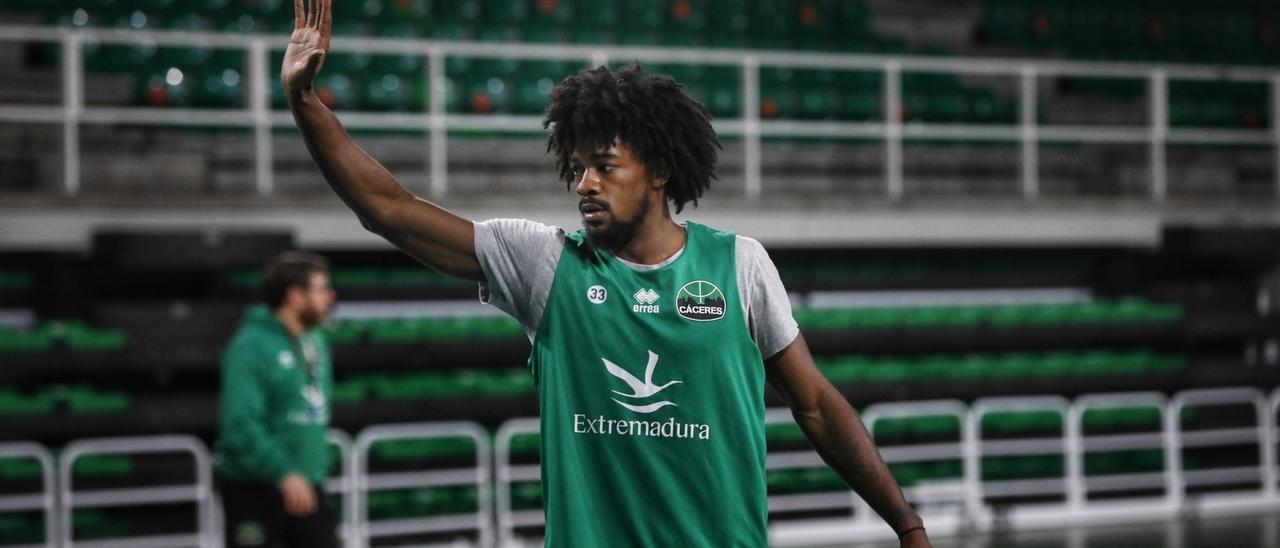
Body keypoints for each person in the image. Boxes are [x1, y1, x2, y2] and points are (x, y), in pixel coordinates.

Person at [281, 1, 931, 546]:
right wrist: (305, 102)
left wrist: (904, 522)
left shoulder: (739, 265)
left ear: (660, 170)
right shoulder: (545, 265)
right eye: (578, 167)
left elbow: (815, 406)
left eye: (605, 166)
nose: (584, 184)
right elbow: (387, 208)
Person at [213, 251, 339, 548]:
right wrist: (282, 472)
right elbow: (240, 424)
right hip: (256, 490)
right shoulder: (250, 347)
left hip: (308, 485)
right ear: (295, 296)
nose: (330, 297)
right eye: (321, 289)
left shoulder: (316, 339)